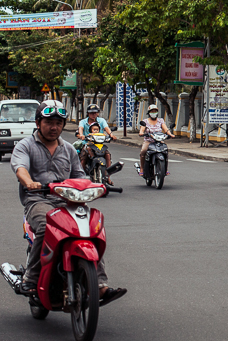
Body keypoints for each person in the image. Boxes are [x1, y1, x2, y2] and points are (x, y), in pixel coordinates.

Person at [10, 100, 126, 303]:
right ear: (38, 123)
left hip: (67, 201)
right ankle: (31, 277)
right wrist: (29, 182)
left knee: (90, 229)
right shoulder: (25, 145)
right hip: (38, 200)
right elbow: (21, 168)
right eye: (49, 122)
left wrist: (95, 185)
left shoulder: (70, 149)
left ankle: (99, 284)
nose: (54, 127)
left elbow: (80, 176)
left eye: (58, 122)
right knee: (46, 227)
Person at [138, 104, 174, 176]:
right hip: (149, 141)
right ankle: (142, 168)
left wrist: (170, 134)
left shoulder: (161, 120)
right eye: (152, 111)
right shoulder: (145, 121)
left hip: (159, 140)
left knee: (165, 151)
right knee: (143, 151)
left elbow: (165, 129)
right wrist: (141, 133)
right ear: (149, 113)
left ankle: (165, 168)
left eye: (155, 111)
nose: (153, 113)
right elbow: (142, 129)